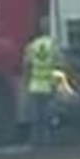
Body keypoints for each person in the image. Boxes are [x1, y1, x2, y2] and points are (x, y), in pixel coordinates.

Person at [23, 21, 59, 149]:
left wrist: (26, 83)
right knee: (47, 116)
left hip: (35, 85)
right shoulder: (53, 45)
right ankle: (47, 142)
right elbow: (58, 65)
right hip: (48, 85)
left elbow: (27, 65)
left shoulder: (32, 45)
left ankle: (35, 142)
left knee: (35, 117)